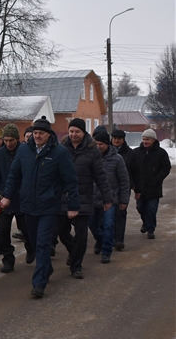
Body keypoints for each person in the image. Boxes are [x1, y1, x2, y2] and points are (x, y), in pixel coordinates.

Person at [1, 116, 80, 298]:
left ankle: (39, 284)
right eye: (35, 132)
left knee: (44, 243)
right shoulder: (24, 150)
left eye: (41, 133)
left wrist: (73, 206)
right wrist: (7, 196)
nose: (37, 136)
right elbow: (14, 175)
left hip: (49, 206)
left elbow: (71, 180)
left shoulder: (59, 153)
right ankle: (47, 268)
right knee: (36, 243)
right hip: (28, 206)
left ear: (48, 135)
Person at [56, 118, 112, 279]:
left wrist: (107, 198)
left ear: (83, 132)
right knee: (61, 231)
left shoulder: (92, 150)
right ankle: (73, 252)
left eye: (77, 131)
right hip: (63, 196)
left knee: (81, 234)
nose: (74, 134)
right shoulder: (61, 148)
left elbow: (100, 175)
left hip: (84, 197)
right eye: (71, 131)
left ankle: (76, 266)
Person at [0, 123, 34, 273]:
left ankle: (30, 247)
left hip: (22, 198)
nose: (9, 143)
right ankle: (8, 259)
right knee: (2, 232)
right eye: (6, 140)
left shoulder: (25, 152)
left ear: (17, 139)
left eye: (12, 140)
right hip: (4, 199)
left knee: (27, 229)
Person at [89, 131, 129, 264]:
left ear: (107, 144)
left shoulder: (117, 159)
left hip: (110, 200)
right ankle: (100, 240)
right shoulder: (90, 158)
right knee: (92, 224)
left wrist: (124, 200)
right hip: (92, 198)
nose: (98, 146)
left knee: (108, 225)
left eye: (101, 144)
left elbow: (124, 181)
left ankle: (106, 251)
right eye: (96, 144)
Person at [133, 128, 171, 239]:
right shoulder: (136, 152)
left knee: (151, 209)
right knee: (140, 207)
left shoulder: (161, 153)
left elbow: (166, 168)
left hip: (154, 187)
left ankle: (150, 229)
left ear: (153, 140)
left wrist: (157, 179)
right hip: (140, 187)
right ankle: (145, 222)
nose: (145, 141)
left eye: (148, 139)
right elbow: (132, 168)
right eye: (144, 139)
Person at [111, 129, 142, 250]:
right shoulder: (105, 150)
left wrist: (138, 189)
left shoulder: (130, 153)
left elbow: (136, 172)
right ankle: (108, 237)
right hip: (107, 187)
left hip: (124, 187)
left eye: (119, 139)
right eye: (114, 138)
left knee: (120, 212)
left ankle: (119, 240)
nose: (116, 141)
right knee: (107, 214)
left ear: (123, 140)